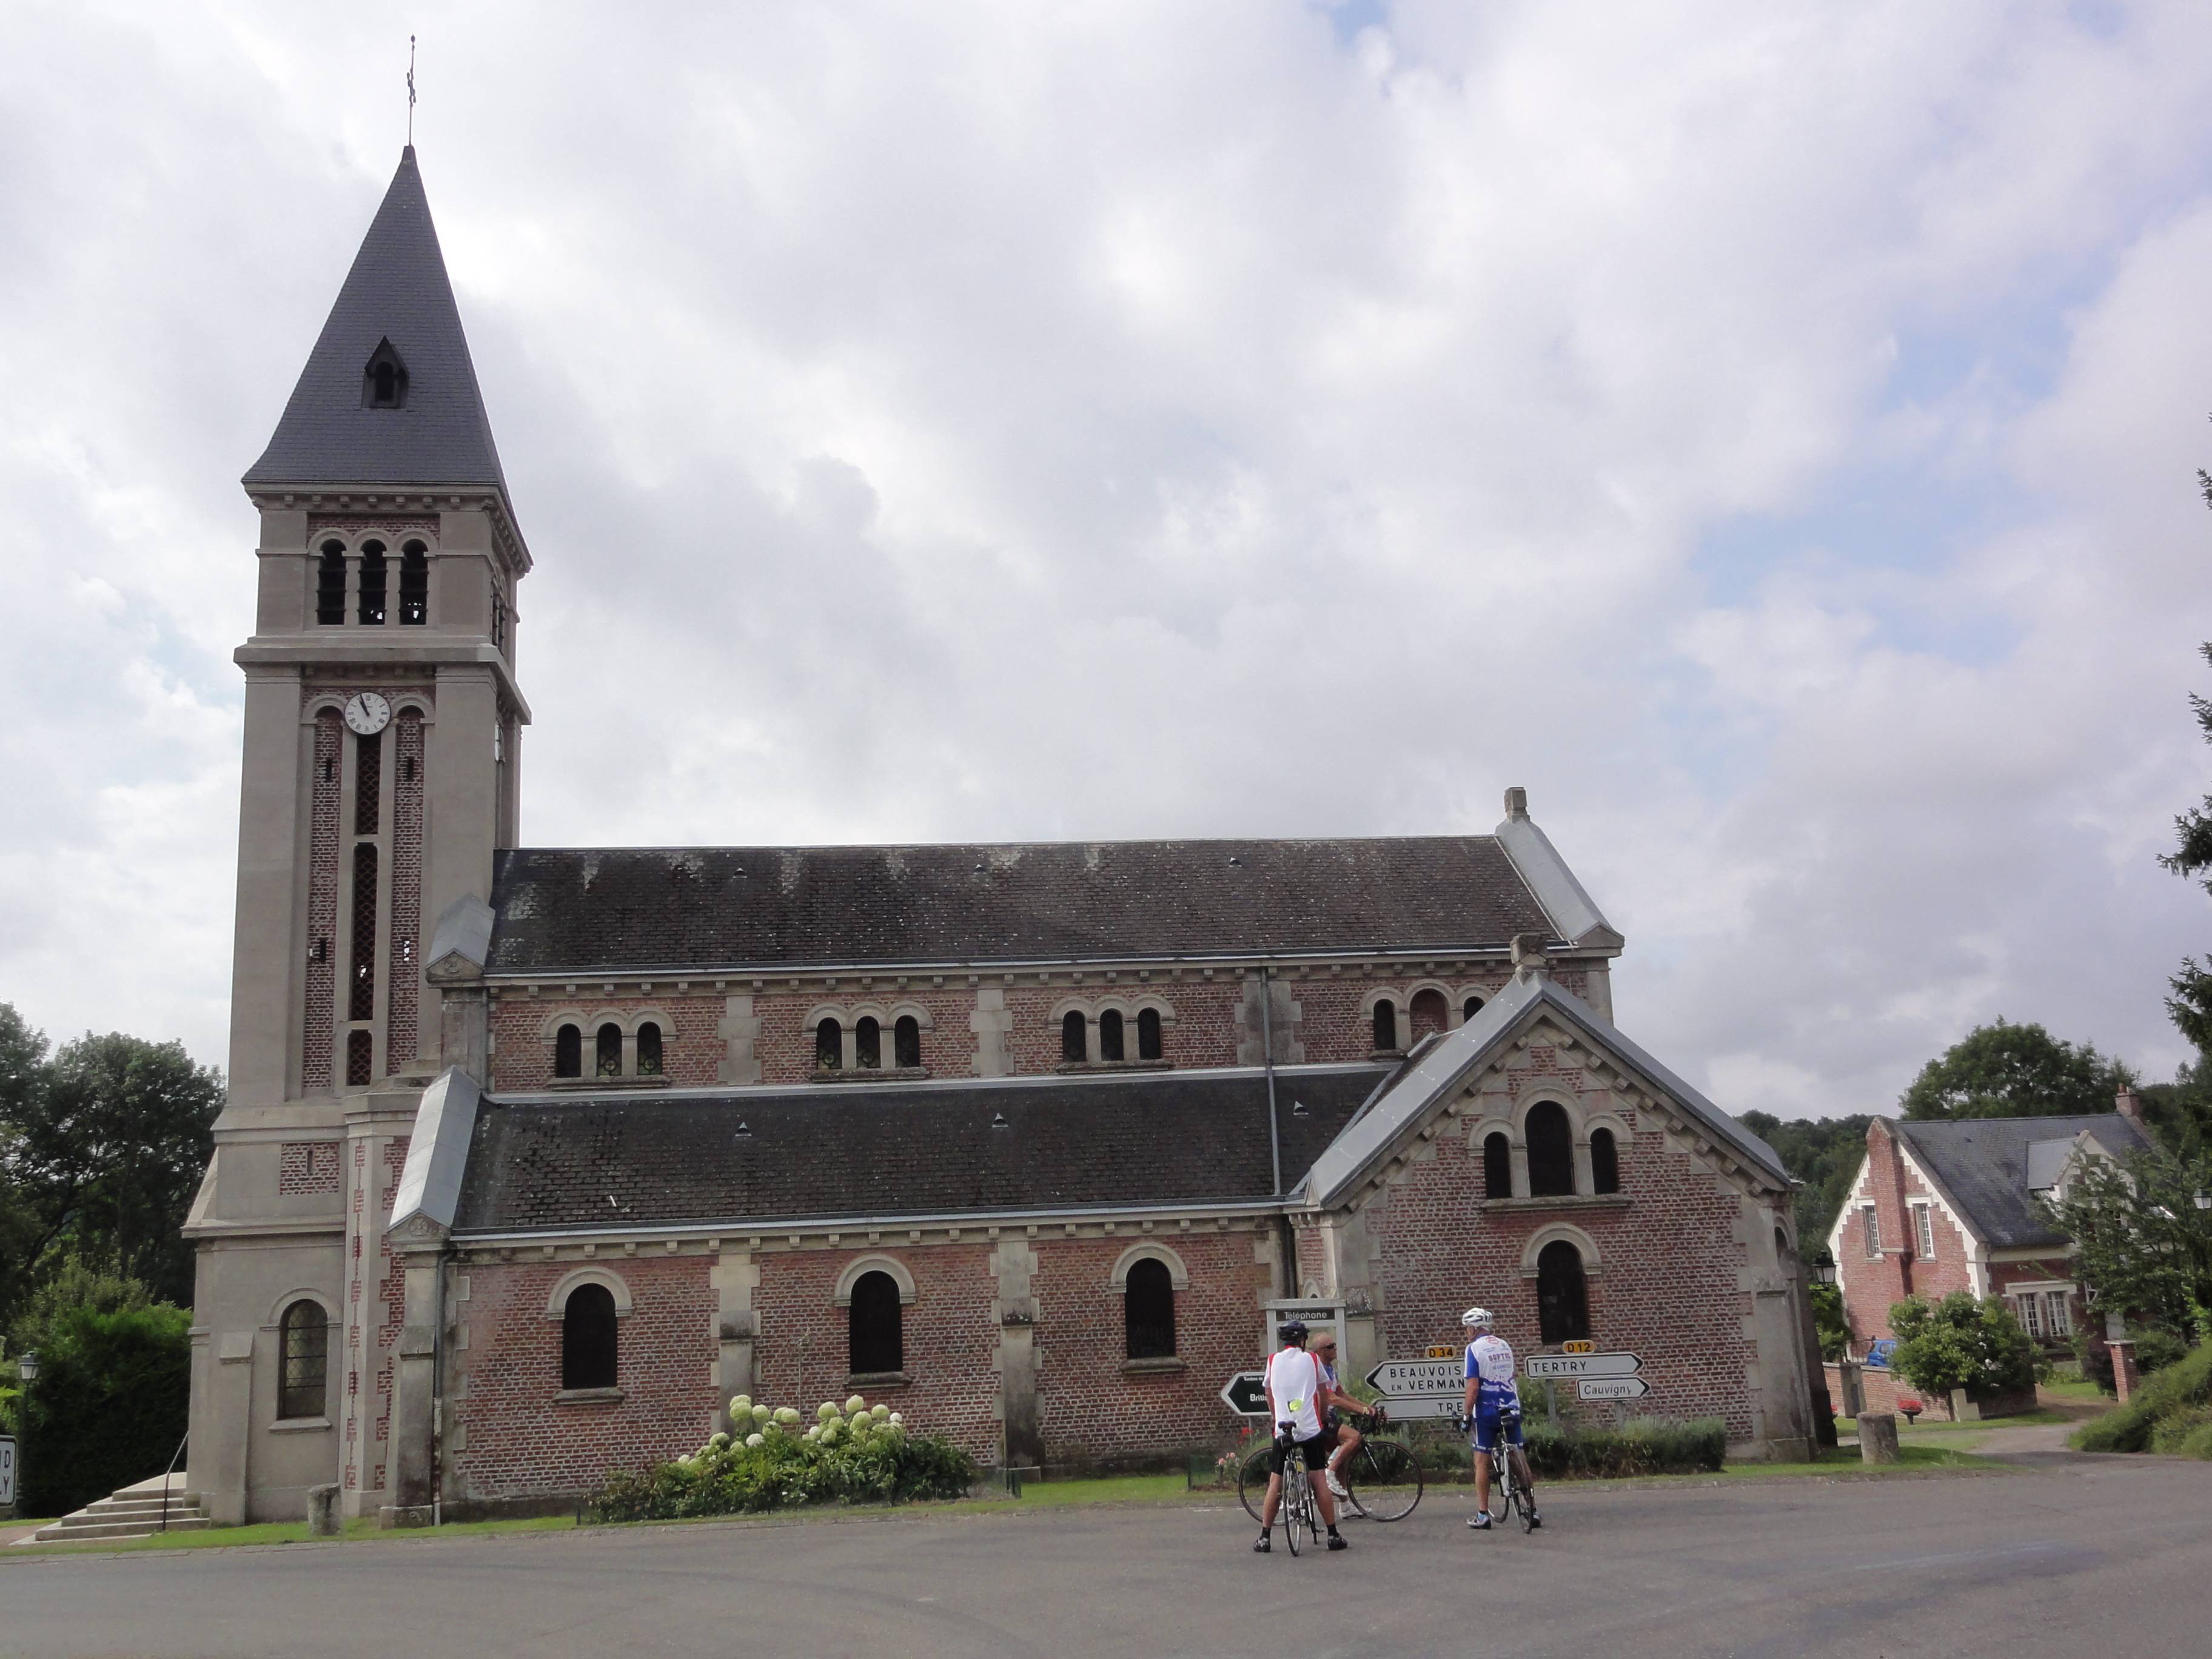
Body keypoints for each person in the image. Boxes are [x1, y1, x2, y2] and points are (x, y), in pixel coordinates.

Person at [1254, 1321, 1347, 1552]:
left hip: (1283, 1428)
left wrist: (1276, 1419)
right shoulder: (1313, 1360)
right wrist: (1324, 1418)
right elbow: (1323, 1395)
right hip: (1309, 1427)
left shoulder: (1272, 1361)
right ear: (1303, 1341)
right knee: (1319, 1480)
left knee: (1276, 1481)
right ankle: (1333, 1535)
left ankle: (1264, 1538)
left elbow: (1269, 1393)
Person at [1458, 1306, 1540, 1530]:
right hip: (1511, 1408)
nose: (1467, 1332)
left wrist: (1466, 1416)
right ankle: (1533, 1510)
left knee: (1481, 1461)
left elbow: (1473, 1387)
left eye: (1467, 1328)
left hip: (1487, 1411)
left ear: (1474, 1329)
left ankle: (1483, 1515)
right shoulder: (1504, 1345)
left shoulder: (1473, 1349)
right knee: (1519, 1457)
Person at [1308, 1330, 1366, 1499]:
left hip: (1329, 1418)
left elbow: (1342, 1395)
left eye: (1335, 1345)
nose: (1335, 1349)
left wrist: (1369, 1408)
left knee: (1343, 1458)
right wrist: (1362, 1411)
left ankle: (1345, 1505)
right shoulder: (1317, 1370)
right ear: (1319, 1351)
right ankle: (1329, 1472)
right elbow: (1332, 1399)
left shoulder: (1330, 1370)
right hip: (1318, 1418)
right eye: (1330, 1346)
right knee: (1355, 1437)